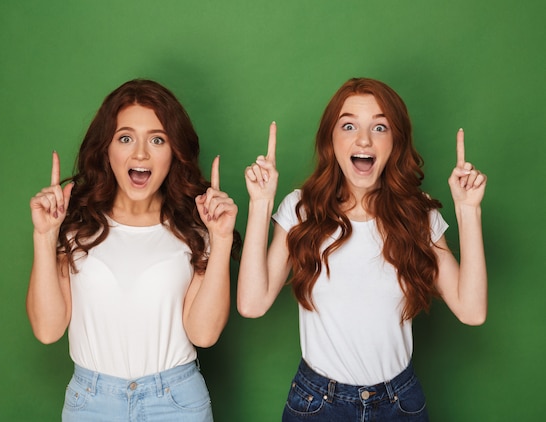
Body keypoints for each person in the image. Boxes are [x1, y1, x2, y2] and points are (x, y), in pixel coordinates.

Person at [238, 77, 487, 421]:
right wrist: (261, 203)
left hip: (400, 404)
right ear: (331, 139)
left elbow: (472, 311)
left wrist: (469, 210)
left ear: (395, 141)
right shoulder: (301, 209)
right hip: (317, 404)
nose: (364, 139)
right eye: (349, 125)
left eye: (380, 127)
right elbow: (252, 304)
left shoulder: (418, 214)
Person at [27, 79, 240, 422]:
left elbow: (204, 333)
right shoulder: (74, 226)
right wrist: (44, 235)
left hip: (176, 401)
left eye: (157, 140)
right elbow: (47, 330)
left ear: (174, 153)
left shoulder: (195, 230)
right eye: (125, 138)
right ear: (106, 150)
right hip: (91, 402)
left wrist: (222, 238)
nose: (140, 153)